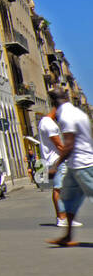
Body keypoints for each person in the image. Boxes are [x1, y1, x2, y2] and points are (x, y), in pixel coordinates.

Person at [48, 89, 93, 247]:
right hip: (76, 165)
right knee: (67, 199)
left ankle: (67, 235)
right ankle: (67, 236)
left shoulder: (66, 116)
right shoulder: (79, 113)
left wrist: (56, 165)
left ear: (52, 103)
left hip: (84, 165)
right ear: (66, 97)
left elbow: (69, 144)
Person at [38, 106, 72, 228]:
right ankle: (62, 218)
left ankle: (65, 217)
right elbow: (59, 145)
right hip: (57, 160)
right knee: (59, 188)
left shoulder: (45, 122)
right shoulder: (49, 124)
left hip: (56, 160)